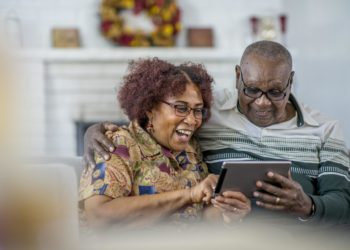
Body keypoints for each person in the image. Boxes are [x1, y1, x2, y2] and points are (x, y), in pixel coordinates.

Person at [83, 41, 350, 225]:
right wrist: (93, 130)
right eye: (252, 90)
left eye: (276, 92)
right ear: (238, 77)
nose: (262, 102)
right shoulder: (213, 111)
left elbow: (343, 204)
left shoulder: (325, 129)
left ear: (291, 82)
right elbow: (150, 120)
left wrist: (308, 205)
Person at [79, 58, 251, 229]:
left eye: (197, 110)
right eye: (181, 107)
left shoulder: (191, 149)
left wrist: (226, 212)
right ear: (150, 108)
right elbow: (99, 217)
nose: (192, 120)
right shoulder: (118, 144)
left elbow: (200, 216)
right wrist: (189, 195)